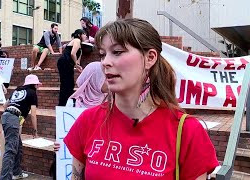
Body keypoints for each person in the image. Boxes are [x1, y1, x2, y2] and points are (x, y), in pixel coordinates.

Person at [64, 18, 219, 179]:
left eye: (117, 52)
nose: (105, 62)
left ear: (150, 58)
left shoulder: (188, 131)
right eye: (103, 54)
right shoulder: (89, 121)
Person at [50, 61, 108, 179]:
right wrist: (59, 145)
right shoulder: (73, 103)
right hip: (72, 165)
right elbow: (64, 134)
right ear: (94, 79)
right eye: (105, 77)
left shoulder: (111, 103)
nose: (109, 80)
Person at [0, 74, 41, 180]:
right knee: (10, 150)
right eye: (37, 84)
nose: (38, 87)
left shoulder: (17, 90)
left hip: (6, 116)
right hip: (13, 118)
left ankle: (17, 172)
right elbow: (33, 114)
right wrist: (35, 131)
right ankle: (5, 178)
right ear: (34, 84)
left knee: (18, 147)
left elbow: (5, 105)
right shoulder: (32, 93)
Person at [57, 29, 87, 106]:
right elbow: (73, 53)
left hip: (67, 63)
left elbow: (77, 60)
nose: (85, 36)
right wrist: (76, 65)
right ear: (79, 35)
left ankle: (65, 103)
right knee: (66, 84)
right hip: (65, 62)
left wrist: (78, 66)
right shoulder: (76, 40)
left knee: (69, 84)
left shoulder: (79, 44)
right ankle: (63, 104)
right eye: (84, 34)